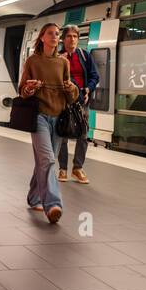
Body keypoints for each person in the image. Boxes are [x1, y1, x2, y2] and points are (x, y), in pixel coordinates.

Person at [18, 22, 78, 224]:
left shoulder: (63, 63)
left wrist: (71, 88)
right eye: (50, 33)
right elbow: (22, 91)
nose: (55, 36)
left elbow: (71, 96)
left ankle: (34, 197)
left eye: (57, 34)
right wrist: (29, 88)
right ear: (42, 37)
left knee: (44, 162)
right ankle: (53, 205)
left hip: (59, 118)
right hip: (39, 117)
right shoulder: (33, 62)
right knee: (48, 160)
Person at [56, 24, 99, 184]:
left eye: (75, 36)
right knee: (63, 134)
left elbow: (95, 76)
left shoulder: (85, 55)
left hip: (82, 101)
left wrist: (88, 89)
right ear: (63, 39)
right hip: (64, 101)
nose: (72, 39)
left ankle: (77, 168)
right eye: (69, 36)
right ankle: (62, 168)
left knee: (83, 134)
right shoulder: (58, 57)